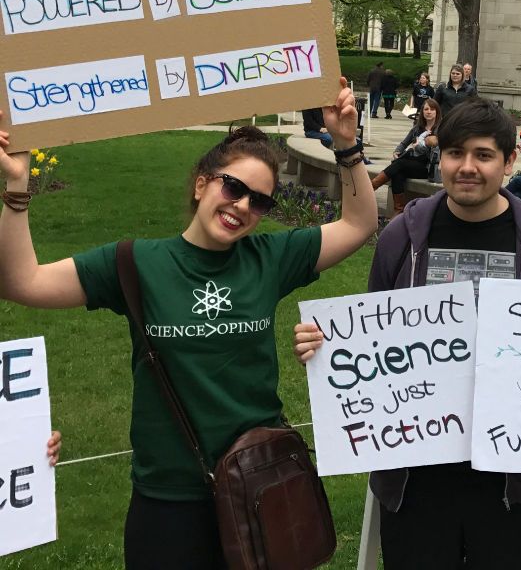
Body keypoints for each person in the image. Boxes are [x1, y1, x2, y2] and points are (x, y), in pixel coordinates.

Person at [0, 85, 376, 569]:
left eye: (259, 201)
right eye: (232, 187)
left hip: (260, 483)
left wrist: (346, 146)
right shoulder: (133, 263)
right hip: (168, 499)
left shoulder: (271, 258)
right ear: (202, 183)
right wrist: (15, 190)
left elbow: (360, 222)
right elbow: (21, 282)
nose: (242, 206)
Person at [294, 98, 521, 569]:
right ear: (439, 156)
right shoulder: (402, 236)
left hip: (507, 476)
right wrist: (327, 348)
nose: (467, 167)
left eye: (483, 155)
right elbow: (372, 338)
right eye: (454, 153)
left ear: (508, 162)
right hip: (415, 473)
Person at [371, 99, 442, 215]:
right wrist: (397, 151)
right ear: (422, 112)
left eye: (432, 109)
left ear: (437, 112)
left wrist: (427, 144)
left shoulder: (441, 130)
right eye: (426, 109)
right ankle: (399, 212)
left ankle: (371, 187)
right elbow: (404, 143)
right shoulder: (417, 128)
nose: (429, 112)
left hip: (428, 168)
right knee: (398, 173)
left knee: (399, 164)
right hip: (413, 164)